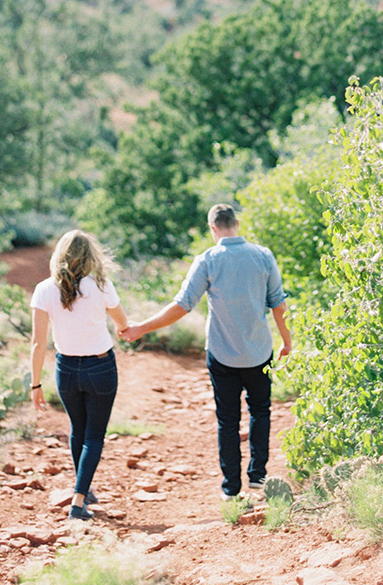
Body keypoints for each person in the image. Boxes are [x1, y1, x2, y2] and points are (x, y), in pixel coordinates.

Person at [120, 203, 291, 498]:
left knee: (227, 420)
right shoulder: (263, 256)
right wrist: (287, 341)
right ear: (236, 223)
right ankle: (258, 476)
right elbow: (278, 303)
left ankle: (231, 489)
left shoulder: (208, 259)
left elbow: (182, 306)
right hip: (259, 353)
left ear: (213, 228)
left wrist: (142, 328)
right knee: (260, 411)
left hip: (222, 354)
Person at [30, 229, 128, 521]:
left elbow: (38, 342)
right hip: (100, 367)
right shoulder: (101, 285)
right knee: (94, 435)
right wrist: (129, 329)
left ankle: (82, 488)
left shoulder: (45, 289)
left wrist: (35, 383)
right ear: (91, 256)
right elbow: (122, 322)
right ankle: (78, 501)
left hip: (67, 370)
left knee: (78, 430)